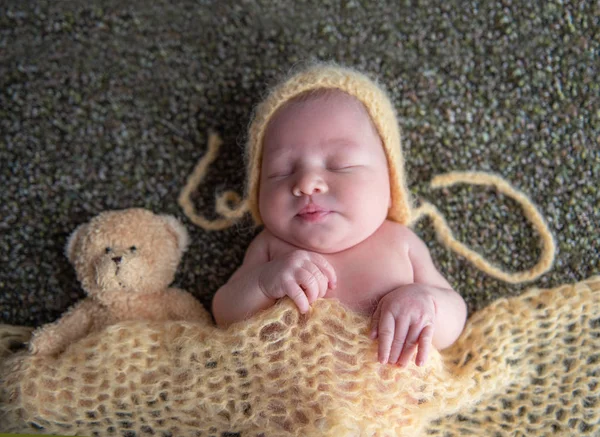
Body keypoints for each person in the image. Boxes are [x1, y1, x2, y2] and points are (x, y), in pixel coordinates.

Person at [212, 63, 467, 367]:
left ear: (391, 183)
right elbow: (225, 313)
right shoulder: (270, 248)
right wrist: (264, 283)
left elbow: (454, 319)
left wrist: (426, 304)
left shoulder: (400, 242)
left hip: (390, 407)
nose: (306, 184)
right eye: (281, 172)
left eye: (340, 165)